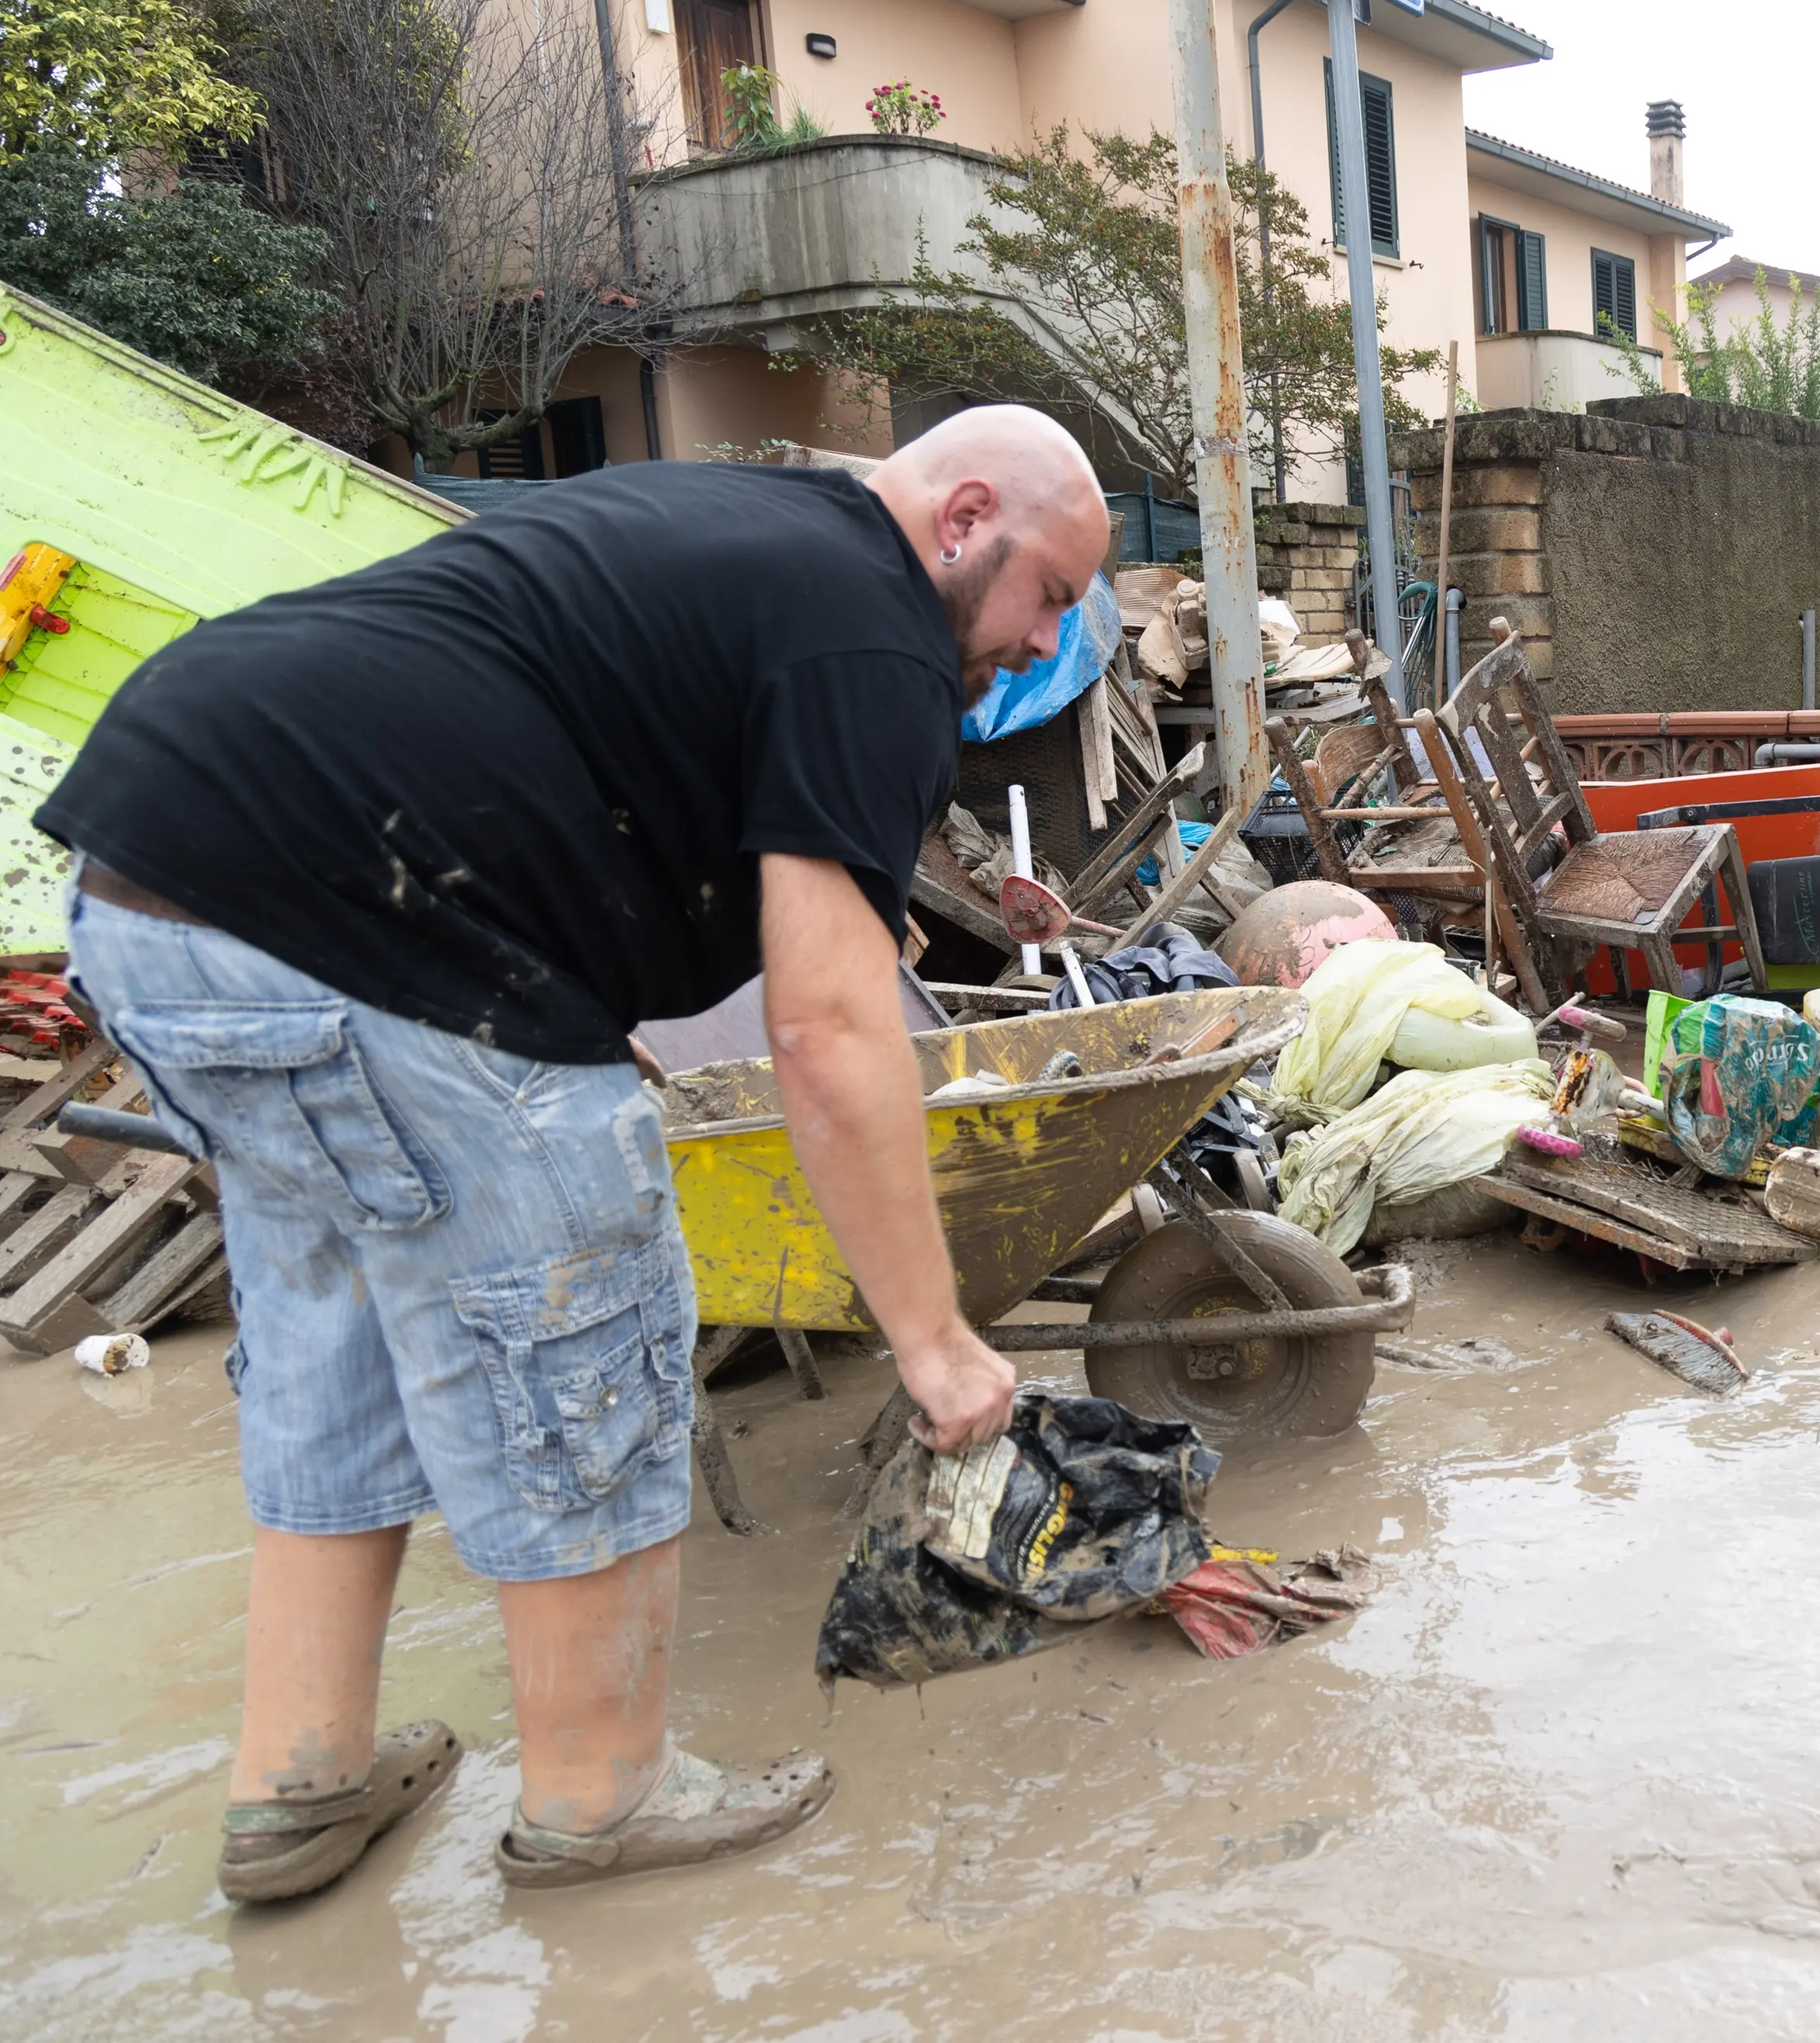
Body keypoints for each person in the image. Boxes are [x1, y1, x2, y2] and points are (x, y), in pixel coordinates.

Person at [37, 405, 1109, 1902]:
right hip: (379, 918)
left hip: (150, 892)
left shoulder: (735, 526)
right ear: (961, 515)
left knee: (329, 1339)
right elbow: (829, 1028)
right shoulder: (873, 630)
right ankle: (603, 1792)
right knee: (580, 1329)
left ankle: (297, 1785)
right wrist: (932, 1343)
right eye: (1050, 591)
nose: (1043, 640)